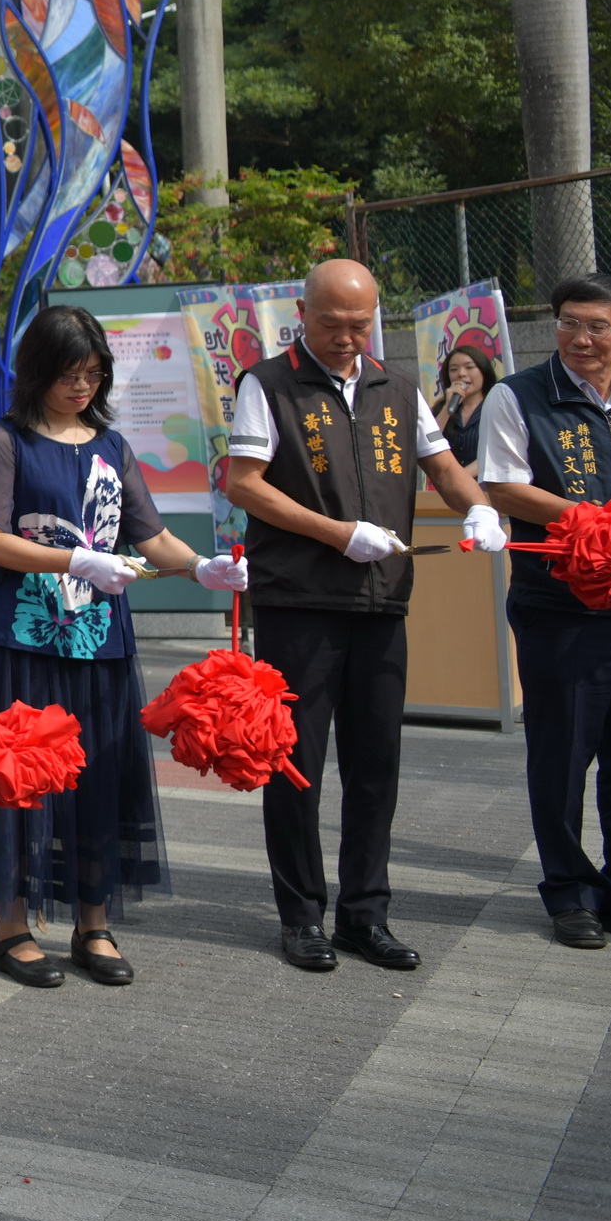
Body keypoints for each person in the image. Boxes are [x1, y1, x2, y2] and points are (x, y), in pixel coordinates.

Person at [223, 258, 504, 974]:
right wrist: (338, 533)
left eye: (360, 324)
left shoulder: (396, 387)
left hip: (382, 601)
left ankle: (365, 915)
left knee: (376, 764)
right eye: (331, 324)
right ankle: (301, 917)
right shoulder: (269, 384)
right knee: (297, 764)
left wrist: (477, 507)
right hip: (300, 602)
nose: (347, 337)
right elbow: (245, 484)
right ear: (303, 316)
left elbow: (443, 466)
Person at [0, 306, 244, 988]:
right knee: (23, 772)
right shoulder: (6, 441)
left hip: (99, 639)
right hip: (24, 638)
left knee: (99, 775)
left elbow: (150, 536)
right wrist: (75, 560)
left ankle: (94, 923)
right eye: (69, 375)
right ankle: (11, 925)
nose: (82, 386)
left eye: (93, 374)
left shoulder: (111, 445)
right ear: (38, 373)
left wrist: (199, 567)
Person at [474, 273, 611, 952]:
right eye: (569, 322)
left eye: (597, 326)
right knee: (564, 754)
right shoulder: (518, 396)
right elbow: (502, 484)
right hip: (561, 608)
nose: (580, 337)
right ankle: (570, 892)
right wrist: (595, 519)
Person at [434, 344, 499, 472]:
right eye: (454, 369)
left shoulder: (496, 406)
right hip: (448, 483)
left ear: (484, 371)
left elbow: (497, 453)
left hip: (485, 482)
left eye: (469, 367)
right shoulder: (441, 409)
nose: (461, 374)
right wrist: (447, 407)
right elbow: (428, 442)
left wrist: (460, 478)